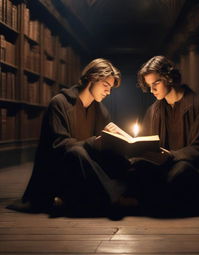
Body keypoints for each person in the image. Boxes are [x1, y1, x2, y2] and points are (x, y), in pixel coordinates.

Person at [9, 58, 129, 215]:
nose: (108, 92)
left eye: (110, 88)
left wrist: (117, 140)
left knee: (124, 160)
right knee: (76, 153)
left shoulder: (101, 111)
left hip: (87, 169)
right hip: (60, 169)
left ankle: (116, 195)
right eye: (105, 85)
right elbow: (59, 145)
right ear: (92, 79)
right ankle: (115, 198)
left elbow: (102, 147)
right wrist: (94, 142)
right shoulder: (59, 103)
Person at [134, 55, 199, 214]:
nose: (152, 90)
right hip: (164, 166)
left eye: (156, 83)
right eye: (149, 85)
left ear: (169, 78)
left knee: (179, 172)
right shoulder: (154, 110)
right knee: (137, 170)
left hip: (193, 167)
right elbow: (147, 144)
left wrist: (172, 155)